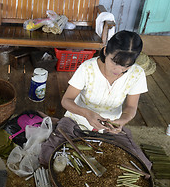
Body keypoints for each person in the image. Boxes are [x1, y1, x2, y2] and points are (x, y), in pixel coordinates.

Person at [39, 30, 152, 170]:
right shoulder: (88, 68)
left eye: (126, 66)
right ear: (105, 51)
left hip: (109, 127)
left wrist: (121, 121)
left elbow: (130, 108)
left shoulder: (137, 73)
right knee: (47, 156)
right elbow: (66, 101)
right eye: (114, 62)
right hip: (77, 120)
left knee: (142, 166)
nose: (119, 69)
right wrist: (86, 114)